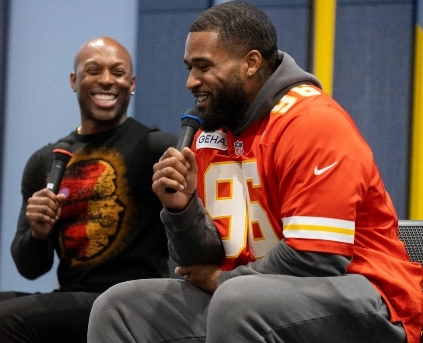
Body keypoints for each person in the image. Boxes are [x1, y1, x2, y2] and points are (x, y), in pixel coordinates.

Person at [87, 2, 422, 343]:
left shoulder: (312, 122)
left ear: (250, 63)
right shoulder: (210, 133)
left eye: (203, 67)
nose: (190, 81)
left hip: (372, 302)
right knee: (119, 307)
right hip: (250, 301)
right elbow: (199, 262)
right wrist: (182, 208)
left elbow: (316, 258)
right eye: (189, 67)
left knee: (237, 301)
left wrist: (222, 281)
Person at [0, 37, 177, 343]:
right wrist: (38, 233)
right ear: (74, 80)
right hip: (73, 296)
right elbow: (30, 268)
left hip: (132, 301)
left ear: (131, 83)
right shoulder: (45, 160)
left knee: (8, 318)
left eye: (118, 72)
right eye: (94, 70)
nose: (107, 80)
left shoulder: (157, 148)